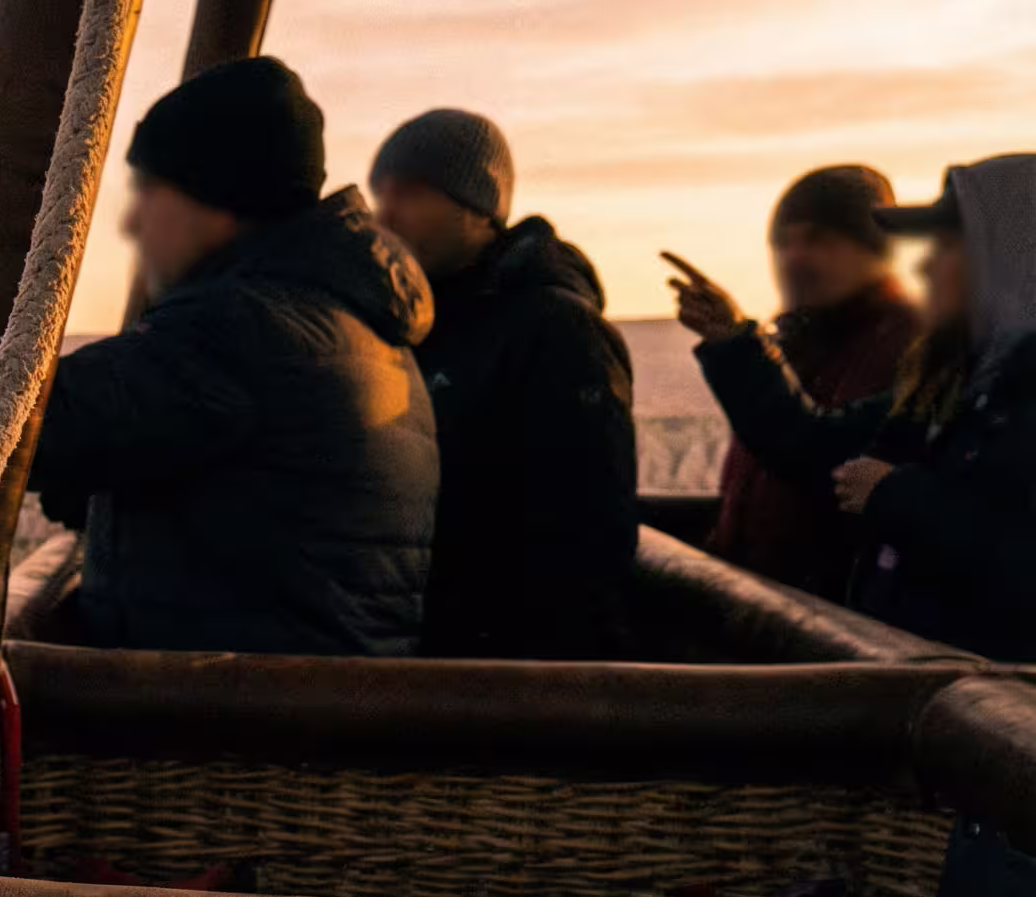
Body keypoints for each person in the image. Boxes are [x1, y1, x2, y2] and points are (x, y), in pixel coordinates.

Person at [0, 56, 440, 655]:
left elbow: (13, 425)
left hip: (225, 737)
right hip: (281, 715)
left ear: (217, 201)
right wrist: (113, 500)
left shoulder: (249, 329)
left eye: (149, 193)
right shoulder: (342, 322)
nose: (133, 223)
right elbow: (263, 531)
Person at [669, 154, 1036, 660]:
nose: (925, 264)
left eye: (948, 246)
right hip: (905, 682)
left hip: (978, 702)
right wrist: (734, 343)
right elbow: (822, 449)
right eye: (785, 242)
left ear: (1010, 259)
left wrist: (894, 493)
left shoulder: (928, 359)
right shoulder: (957, 383)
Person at [368, 110, 637, 659]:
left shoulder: (559, 330)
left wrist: (553, 686)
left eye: (411, 194)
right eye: (381, 195)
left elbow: (588, 537)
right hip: (427, 652)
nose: (385, 215)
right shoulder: (420, 325)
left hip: (506, 670)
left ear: (479, 208)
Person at [703, 166, 920, 600]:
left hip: (832, 622)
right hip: (760, 611)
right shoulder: (790, 346)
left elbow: (818, 456)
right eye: (784, 243)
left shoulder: (915, 348)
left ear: (874, 250)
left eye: (819, 240)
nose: (795, 257)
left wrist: (736, 346)